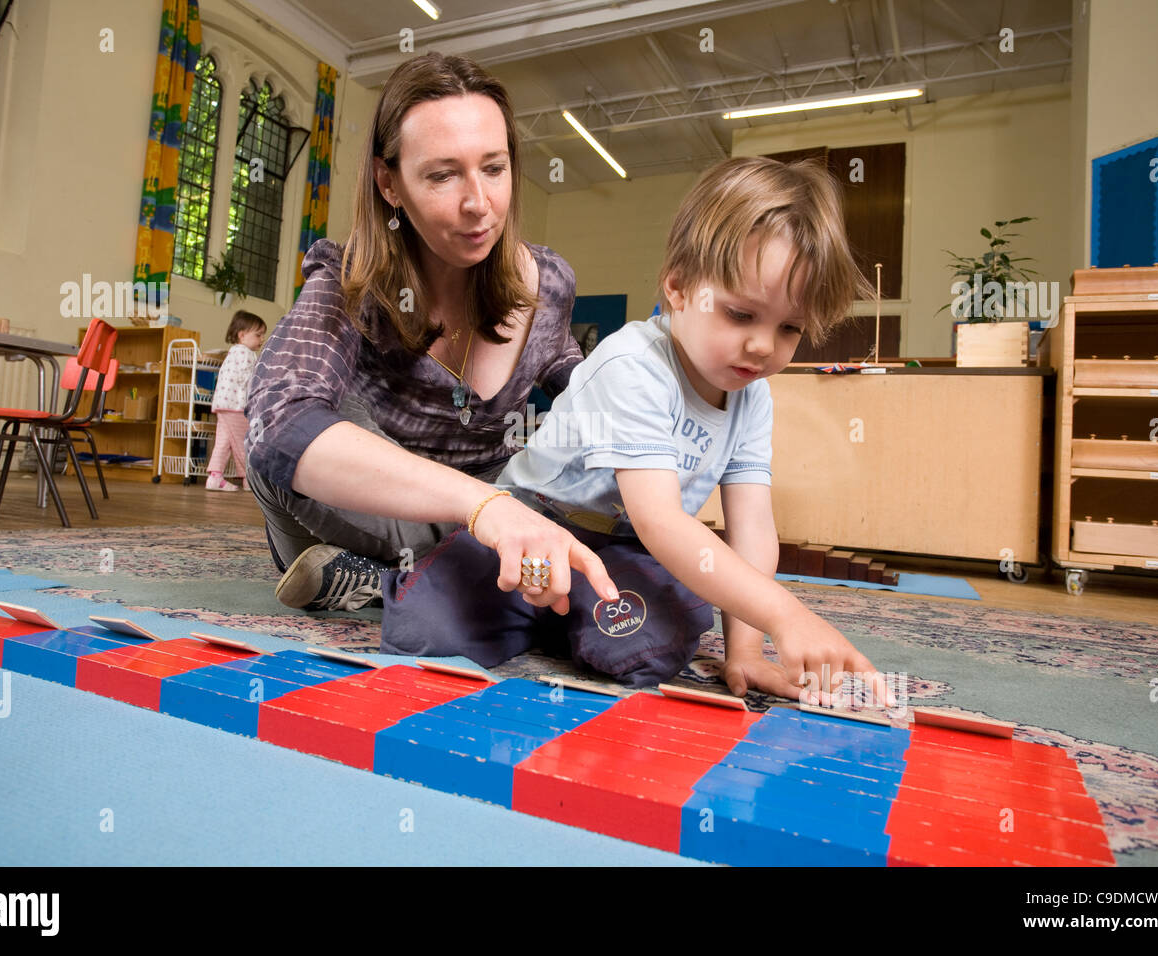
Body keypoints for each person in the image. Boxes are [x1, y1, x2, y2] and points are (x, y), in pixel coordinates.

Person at [381, 156, 893, 704]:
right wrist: (787, 615)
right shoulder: (634, 364)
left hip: (623, 554)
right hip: (537, 525)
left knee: (649, 653)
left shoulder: (753, 395)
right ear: (677, 288)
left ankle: (566, 613)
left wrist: (745, 651)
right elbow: (660, 520)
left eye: (789, 327)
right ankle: (397, 579)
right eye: (741, 315)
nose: (764, 346)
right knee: (424, 632)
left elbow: (752, 533)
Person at [244, 52, 618, 613]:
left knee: (588, 464)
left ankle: (381, 582)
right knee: (283, 449)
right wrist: (486, 508)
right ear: (388, 183)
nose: (479, 204)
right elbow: (278, 424)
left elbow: (561, 359)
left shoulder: (549, 281)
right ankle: (453, 575)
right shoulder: (348, 280)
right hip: (376, 507)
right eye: (443, 175)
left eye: (494, 168)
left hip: (501, 491)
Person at [205, 310, 265, 491]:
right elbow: (249, 380)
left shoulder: (233, 352)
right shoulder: (246, 353)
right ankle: (250, 479)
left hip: (223, 404)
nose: (262, 339)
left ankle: (215, 476)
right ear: (242, 335)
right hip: (236, 406)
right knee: (243, 442)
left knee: (223, 442)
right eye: (258, 335)